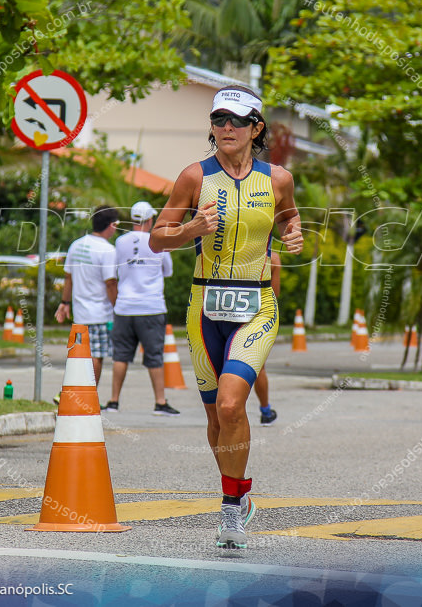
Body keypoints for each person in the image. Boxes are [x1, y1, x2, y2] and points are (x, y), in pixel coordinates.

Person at [150, 85, 303, 549]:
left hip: (256, 304)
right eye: (219, 120)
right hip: (204, 307)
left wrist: (293, 235)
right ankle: (238, 496)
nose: (227, 128)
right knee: (216, 417)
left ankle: (230, 512)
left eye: (237, 121)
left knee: (234, 405)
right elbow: (158, 238)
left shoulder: (278, 179)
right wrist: (190, 230)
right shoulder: (194, 176)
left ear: (257, 128)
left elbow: (289, 217)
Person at [104, 201, 179, 416]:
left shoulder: (120, 241)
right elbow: (168, 271)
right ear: (149, 220)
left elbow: (115, 271)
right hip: (151, 306)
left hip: (124, 308)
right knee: (154, 356)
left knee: (121, 357)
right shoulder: (159, 240)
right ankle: (160, 402)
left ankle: (113, 402)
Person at [55, 206, 118, 387]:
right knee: (96, 355)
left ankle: (73, 392)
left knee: (78, 357)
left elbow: (68, 277)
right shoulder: (108, 250)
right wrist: (118, 308)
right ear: (111, 225)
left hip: (80, 314)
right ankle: (88, 394)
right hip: (99, 313)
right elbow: (110, 283)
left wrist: (64, 302)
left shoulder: (76, 244)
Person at [253, 251, 281, 425]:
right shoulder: (273, 258)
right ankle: (265, 410)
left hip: (220, 311)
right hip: (255, 315)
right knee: (258, 368)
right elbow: (274, 296)